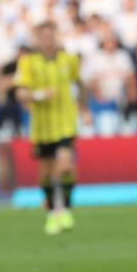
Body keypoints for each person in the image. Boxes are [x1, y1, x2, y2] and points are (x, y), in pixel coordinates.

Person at [14, 21, 90, 235]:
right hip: (42, 126)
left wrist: (84, 109)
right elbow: (20, 92)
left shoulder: (69, 60)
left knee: (65, 165)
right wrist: (39, 95)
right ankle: (51, 213)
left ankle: (64, 209)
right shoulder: (28, 63)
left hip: (65, 122)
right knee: (46, 174)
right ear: (38, 39)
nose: (47, 40)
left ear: (56, 36)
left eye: (51, 36)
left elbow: (80, 83)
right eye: (43, 36)